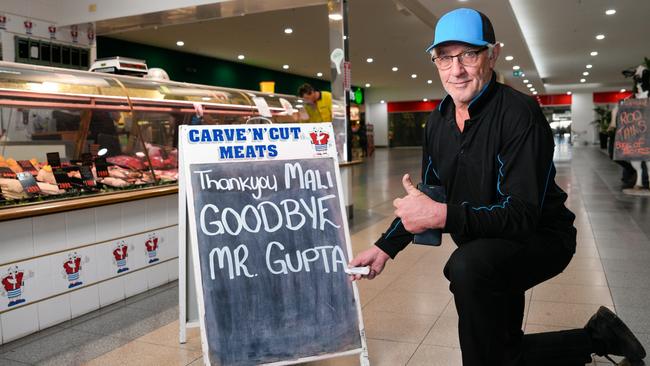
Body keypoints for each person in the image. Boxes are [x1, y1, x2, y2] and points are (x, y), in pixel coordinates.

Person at [348, 8, 646, 366]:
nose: (456, 70)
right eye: (444, 57)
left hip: (541, 238)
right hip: (485, 243)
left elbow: (520, 214)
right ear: (435, 61)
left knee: (467, 268)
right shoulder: (438, 122)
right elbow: (428, 195)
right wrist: (383, 248)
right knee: (502, 352)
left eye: (469, 55)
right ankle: (598, 336)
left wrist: (441, 215)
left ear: (493, 54)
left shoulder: (519, 114)